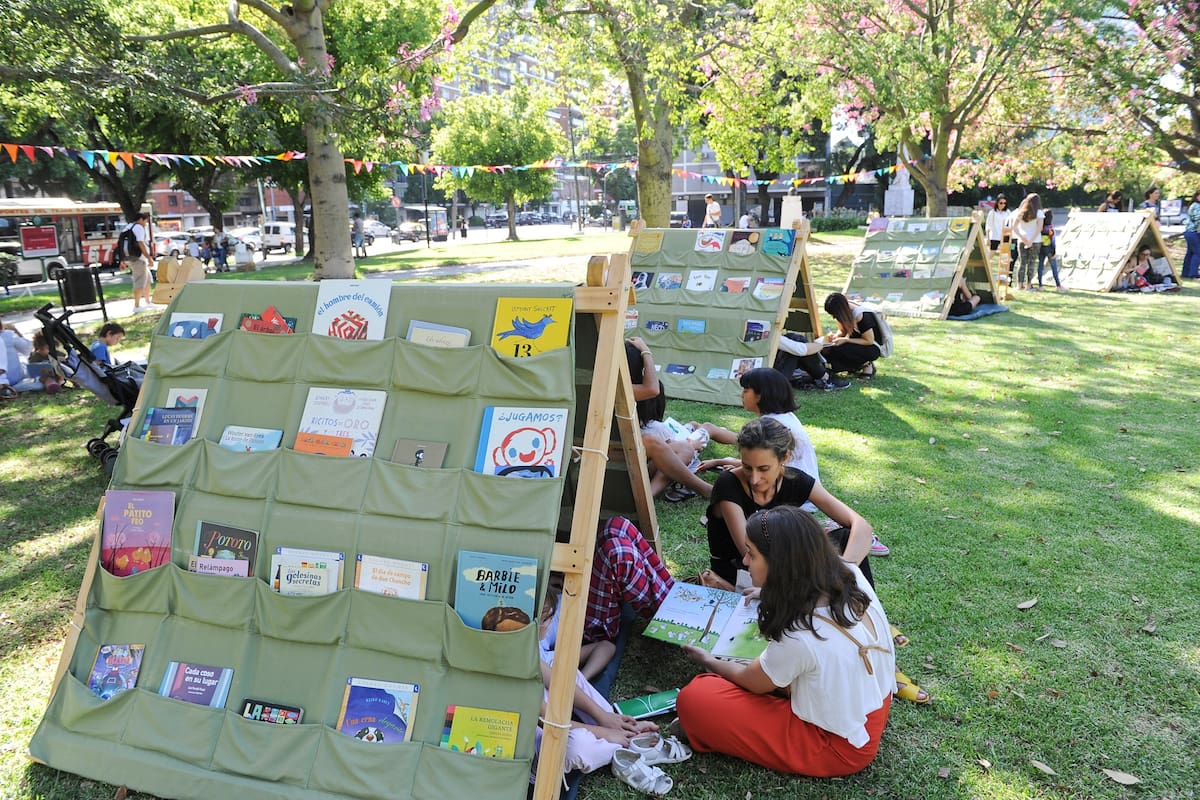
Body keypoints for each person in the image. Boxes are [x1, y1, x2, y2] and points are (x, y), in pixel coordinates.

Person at [674, 506, 894, 777]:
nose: (744, 561)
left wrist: (708, 660)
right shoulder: (849, 572)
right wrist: (768, 592)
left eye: (751, 554)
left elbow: (753, 680)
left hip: (837, 744)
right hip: (870, 708)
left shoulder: (801, 633)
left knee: (695, 699)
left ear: (780, 564)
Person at [693, 368, 889, 556]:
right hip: (752, 574)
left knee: (845, 540)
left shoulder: (795, 476)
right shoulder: (730, 483)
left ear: (784, 460)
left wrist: (847, 567)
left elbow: (861, 526)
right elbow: (750, 552)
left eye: (746, 390)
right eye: (746, 466)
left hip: (794, 521)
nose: (754, 479)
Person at [626, 337, 713, 502]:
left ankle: (646, 496)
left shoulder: (622, 387)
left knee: (683, 448)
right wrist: (646, 352)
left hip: (632, 453)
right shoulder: (615, 388)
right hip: (621, 452)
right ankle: (704, 489)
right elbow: (652, 388)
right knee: (655, 442)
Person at [820, 293, 883, 378]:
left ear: (839, 311)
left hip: (872, 347)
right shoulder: (844, 313)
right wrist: (835, 337)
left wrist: (846, 340)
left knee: (838, 351)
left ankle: (866, 364)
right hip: (858, 343)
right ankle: (854, 366)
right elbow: (842, 331)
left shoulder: (861, 315)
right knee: (826, 349)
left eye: (834, 314)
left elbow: (869, 340)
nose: (833, 317)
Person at [1011, 193, 1044, 291]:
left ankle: (1019, 284)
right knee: (1031, 263)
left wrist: (1023, 238)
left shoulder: (1021, 212)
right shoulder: (1039, 213)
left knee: (1022, 262)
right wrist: (1031, 240)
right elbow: (1039, 228)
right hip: (1035, 241)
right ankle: (1028, 285)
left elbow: (1014, 227)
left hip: (1022, 240)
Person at [123, 212, 153, 309]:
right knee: (139, 280)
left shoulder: (128, 227)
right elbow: (141, 243)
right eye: (145, 221)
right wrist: (149, 258)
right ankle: (137, 305)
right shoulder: (138, 228)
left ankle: (148, 301)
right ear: (141, 219)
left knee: (147, 279)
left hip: (131, 257)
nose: (146, 223)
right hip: (139, 259)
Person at [1036, 209, 1066, 291]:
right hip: (1049, 248)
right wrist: (1054, 252)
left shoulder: (1040, 228)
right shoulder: (1050, 228)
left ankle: (1040, 285)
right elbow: (1053, 240)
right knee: (1054, 266)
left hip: (1041, 247)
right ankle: (1058, 285)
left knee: (1040, 266)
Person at [1183, 189, 1200, 280]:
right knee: (1198, 253)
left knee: (1190, 253)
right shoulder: (1196, 206)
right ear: (1197, 196)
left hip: (1189, 232)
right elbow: (1198, 219)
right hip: (1193, 233)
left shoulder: (1194, 205)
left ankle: (1186, 273)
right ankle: (1193, 274)